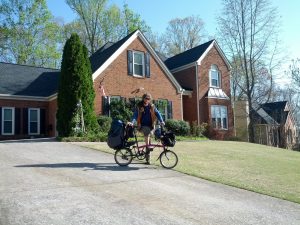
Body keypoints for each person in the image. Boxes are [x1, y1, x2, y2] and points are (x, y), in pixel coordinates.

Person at [128, 93, 165, 163]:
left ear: (150, 100)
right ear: (143, 99)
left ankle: (147, 160)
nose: (147, 100)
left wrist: (162, 121)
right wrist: (132, 122)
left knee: (150, 140)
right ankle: (147, 147)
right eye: (146, 98)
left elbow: (158, 114)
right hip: (141, 126)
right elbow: (135, 115)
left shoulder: (152, 106)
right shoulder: (139, 107)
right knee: (147, 137)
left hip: (150, 126)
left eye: (148, 99)